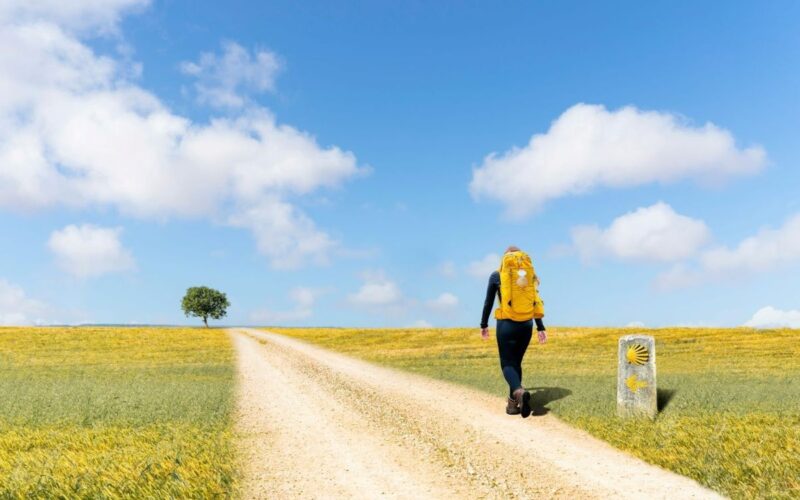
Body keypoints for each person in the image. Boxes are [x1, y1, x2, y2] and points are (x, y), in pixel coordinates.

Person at [480, 246, 547, 418]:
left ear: (504, 259)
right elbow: (535, 301)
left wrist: (484, 324)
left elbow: (488, 302)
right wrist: (540, 326)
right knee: (516, 363)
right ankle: (512, 404)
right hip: (526, 324)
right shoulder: (528, 275)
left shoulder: (497, 275)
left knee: (508, 364)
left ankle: (518, 391)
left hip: (507, 324)